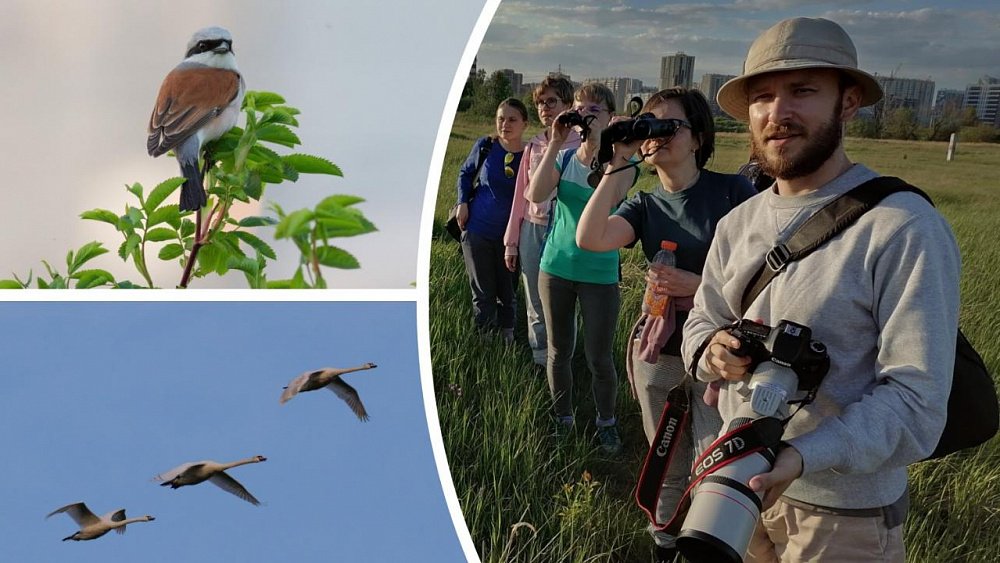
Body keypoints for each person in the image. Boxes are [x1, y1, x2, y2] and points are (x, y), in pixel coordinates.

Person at [682, 17, 960, 562]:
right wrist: (711, 353)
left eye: (802, 91)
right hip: (737, 487)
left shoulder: (901, 227)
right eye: (762, 96)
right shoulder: (738, 223)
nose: (778, 113)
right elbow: (700, 320)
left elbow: (917, 402)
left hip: (844, 514)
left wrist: (801, 456)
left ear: (848, 101)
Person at [576, 87, 756, 562]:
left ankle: (709, 546)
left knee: (716, 464)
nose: (656, 135)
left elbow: (767, 284)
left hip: (722, 359)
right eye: (648, 126)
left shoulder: (734, 193)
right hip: (660, 354)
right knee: (668, 461)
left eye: (668, 125)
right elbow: (590, 237)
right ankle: (665, 546)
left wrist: (695, 285)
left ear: (698, 137)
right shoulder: (645, 206)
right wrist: (621, 161)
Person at [526, 83, 636, 455]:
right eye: (580, 107)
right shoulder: (564, 157)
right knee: (559, 350)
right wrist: (557, 141)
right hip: (554, 267)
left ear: (610, 116)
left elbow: (616, 194)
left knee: (599, 357)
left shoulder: (623, 164)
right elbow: (535, 195)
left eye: (595, 108)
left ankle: (606, 421)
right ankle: (563, 418)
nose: (586, 113)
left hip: (600, 273)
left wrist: (608, 150)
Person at [503, 77, 581, 370]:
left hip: (566, 230)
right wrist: (512, 242)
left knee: (563, 300)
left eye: (552, 101)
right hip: (532, 229)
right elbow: (520, 196)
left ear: (567, 105)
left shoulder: (581, 143)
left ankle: (564, 361)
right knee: (534, 298)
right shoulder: (534, 145)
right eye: (540, 102)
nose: (545, 108)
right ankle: (540, 360)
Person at [455, 98, 529, 342]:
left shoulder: (531, 155)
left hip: (511, 237)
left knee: (508, 291)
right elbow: (465, 173)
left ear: (525, 124)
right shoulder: (486, 146)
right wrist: (462, 202)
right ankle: (485, 339)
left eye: (512, 119)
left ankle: (507, 337)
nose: (504, 124)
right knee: (482, 291)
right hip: (476, 230)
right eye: (500, 119)